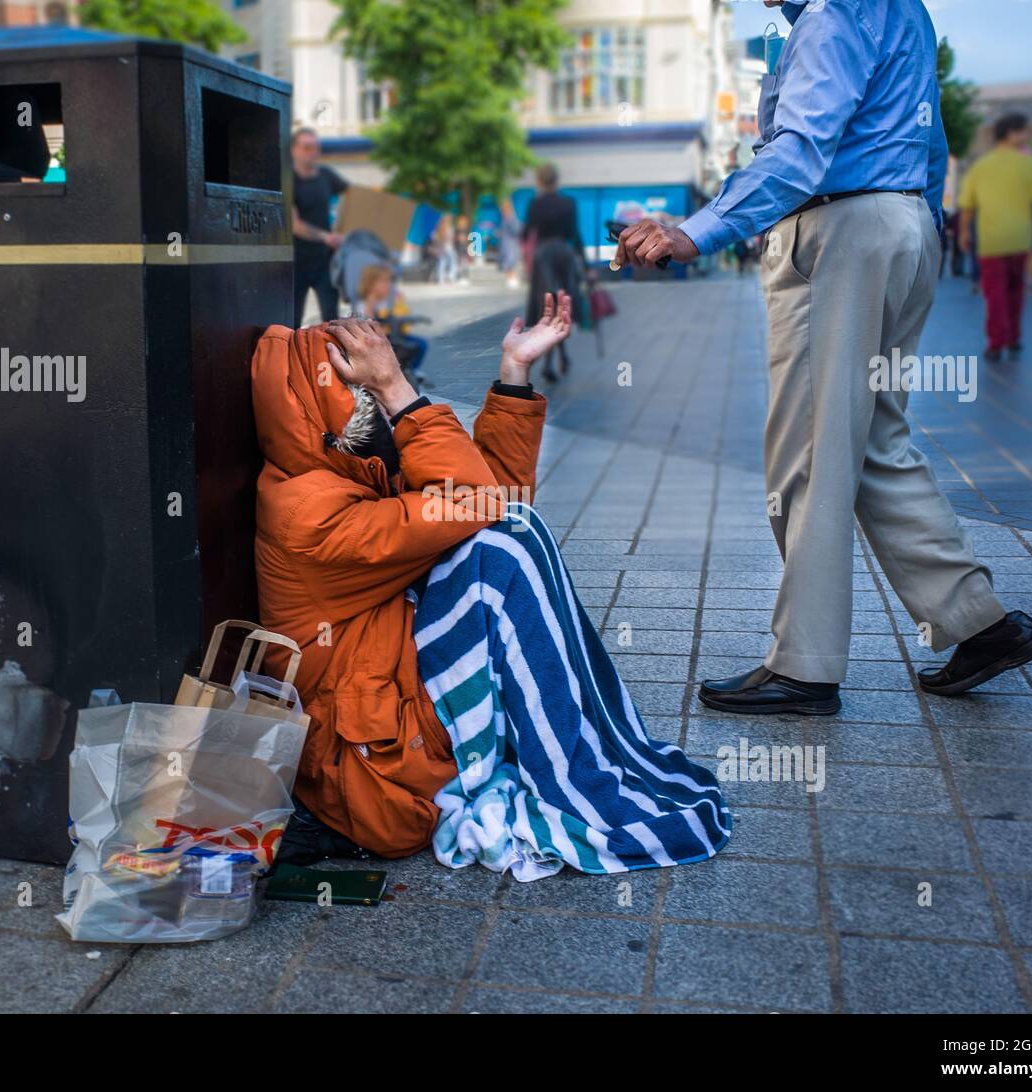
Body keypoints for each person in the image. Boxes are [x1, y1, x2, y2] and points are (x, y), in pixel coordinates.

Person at [614, 0, 1032, 715]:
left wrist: (695, 231)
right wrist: (917, 230)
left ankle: (805, 665)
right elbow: (932, 140)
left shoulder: (829, 13)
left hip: (841, 228)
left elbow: (798, 151)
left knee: (810, 453)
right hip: (901, 219)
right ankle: (982, 623)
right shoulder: (903, 11)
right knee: (875, 440)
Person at [248, 298, 730, 877]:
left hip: (394, 696)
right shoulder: (308, 512)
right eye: (361, 381)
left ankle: (583, 754)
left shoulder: (351, 467)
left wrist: (513, 376)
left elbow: (494, 503)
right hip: (376, 763)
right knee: (501, 553)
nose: (375, 384)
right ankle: (576, 771)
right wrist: (401, 393)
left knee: (507, 538)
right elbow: (477, 506)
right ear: (325, 408)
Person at [957, 113, 1032, 361]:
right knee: (1016, 290)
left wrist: (962, 232)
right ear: (1011, 133)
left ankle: (996, 342)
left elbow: (967, 206)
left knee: (995, 295)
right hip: (1021, 238)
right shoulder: (1029, 164)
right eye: (1023, 131)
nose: (1026, 136)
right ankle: (1013, 337)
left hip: (991, 240)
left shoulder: (980, 166)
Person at [522, 162, 585, 383]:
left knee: (547, 309)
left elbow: (525, 233)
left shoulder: (535, 204)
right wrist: (586, 265)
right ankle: (562, 357)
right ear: (557, 181)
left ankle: (550, 364)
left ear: (539, 181)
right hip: (564, 254)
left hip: (544, 257)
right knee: (562, 307)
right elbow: (575, 234)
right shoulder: (568, 203)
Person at [291, 127, 348, 327]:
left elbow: (351, 195)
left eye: (315, 147)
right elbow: (294, 224)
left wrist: (343, 227)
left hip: (325, 262)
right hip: (295, 263)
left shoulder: (326, 175)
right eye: (306, 147)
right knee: (292, 322)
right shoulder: (288, 179)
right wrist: (326, 236)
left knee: (332, 321)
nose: (312, 152)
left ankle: (332, 358)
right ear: (294, 150)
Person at [359, 263, 428, 379]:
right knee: (410, 347)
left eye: (389, 282)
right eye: (383, 282)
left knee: (421, 344)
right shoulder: (368, 302)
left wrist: (398, 300)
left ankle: (412, 369)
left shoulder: (389, 299)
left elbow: (401, 314)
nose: (388, 285)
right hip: (379, 339)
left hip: (395, 335)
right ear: (371, 284)